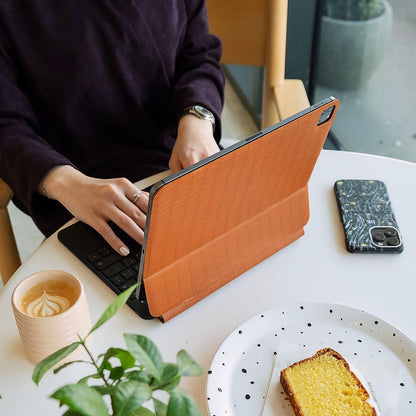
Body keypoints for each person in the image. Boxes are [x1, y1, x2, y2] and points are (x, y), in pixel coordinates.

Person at [0, 1, 224, 256]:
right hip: (81, 190)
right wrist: (66, 183)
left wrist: (197, 117)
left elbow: (198, 54)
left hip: (179, 161)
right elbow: (6, 124)